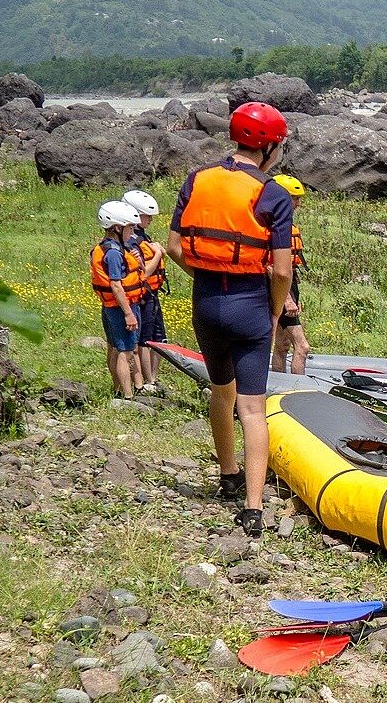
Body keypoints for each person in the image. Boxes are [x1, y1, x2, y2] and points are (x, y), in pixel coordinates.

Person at [167, 101, 293, 538]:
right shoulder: (273, 193)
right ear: (269, 146)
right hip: (250, 304)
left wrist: (205, 276)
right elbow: (281, 271)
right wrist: (276, 308)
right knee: (253, 408)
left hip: (206, 301)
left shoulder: (197, 179)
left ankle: (227, 475)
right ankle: (253, 506)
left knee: (221, 392)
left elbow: (175, 247)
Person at [91, 201, 146, 403]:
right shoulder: (114, 253)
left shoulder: (107, 248)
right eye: (129, 228)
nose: (132, 233)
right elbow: (116, 285)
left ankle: (117, 390)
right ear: (116, 227)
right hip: (121, 307)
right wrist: (128, 313)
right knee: (125, 351)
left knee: (115, 347)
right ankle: (127, 396)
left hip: (110, 307)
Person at [122, 189, 168, 395]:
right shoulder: (131, 241)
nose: (150, 219)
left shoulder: (142, 237)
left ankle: (153, 379)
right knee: (145, 340)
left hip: (152, 293)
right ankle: (147, 382)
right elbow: (144, 271)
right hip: (143, 295)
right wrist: (158, 253)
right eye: (146, 215)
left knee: (158, 338)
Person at [269, 175, 311, 375]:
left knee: (282, 345)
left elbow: (290, 268)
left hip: (288, 290)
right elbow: (271, 268)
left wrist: (295, 295)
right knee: (302, 347)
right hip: (278, 292)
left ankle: (277, 385)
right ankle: (297, 391)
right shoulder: (274, 230)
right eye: (295, 198)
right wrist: (287, 300)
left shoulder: (285, 226)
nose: (298, 204)